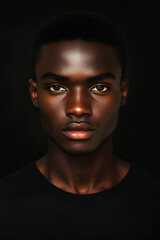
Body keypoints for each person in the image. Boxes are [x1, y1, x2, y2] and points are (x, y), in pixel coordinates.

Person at [0, 11, 159, 240]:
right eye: (56, 87)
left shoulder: (154, 206)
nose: (77, 108)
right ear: (35, 94)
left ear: (123, 93)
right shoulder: (4, 205)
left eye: (99, 88)